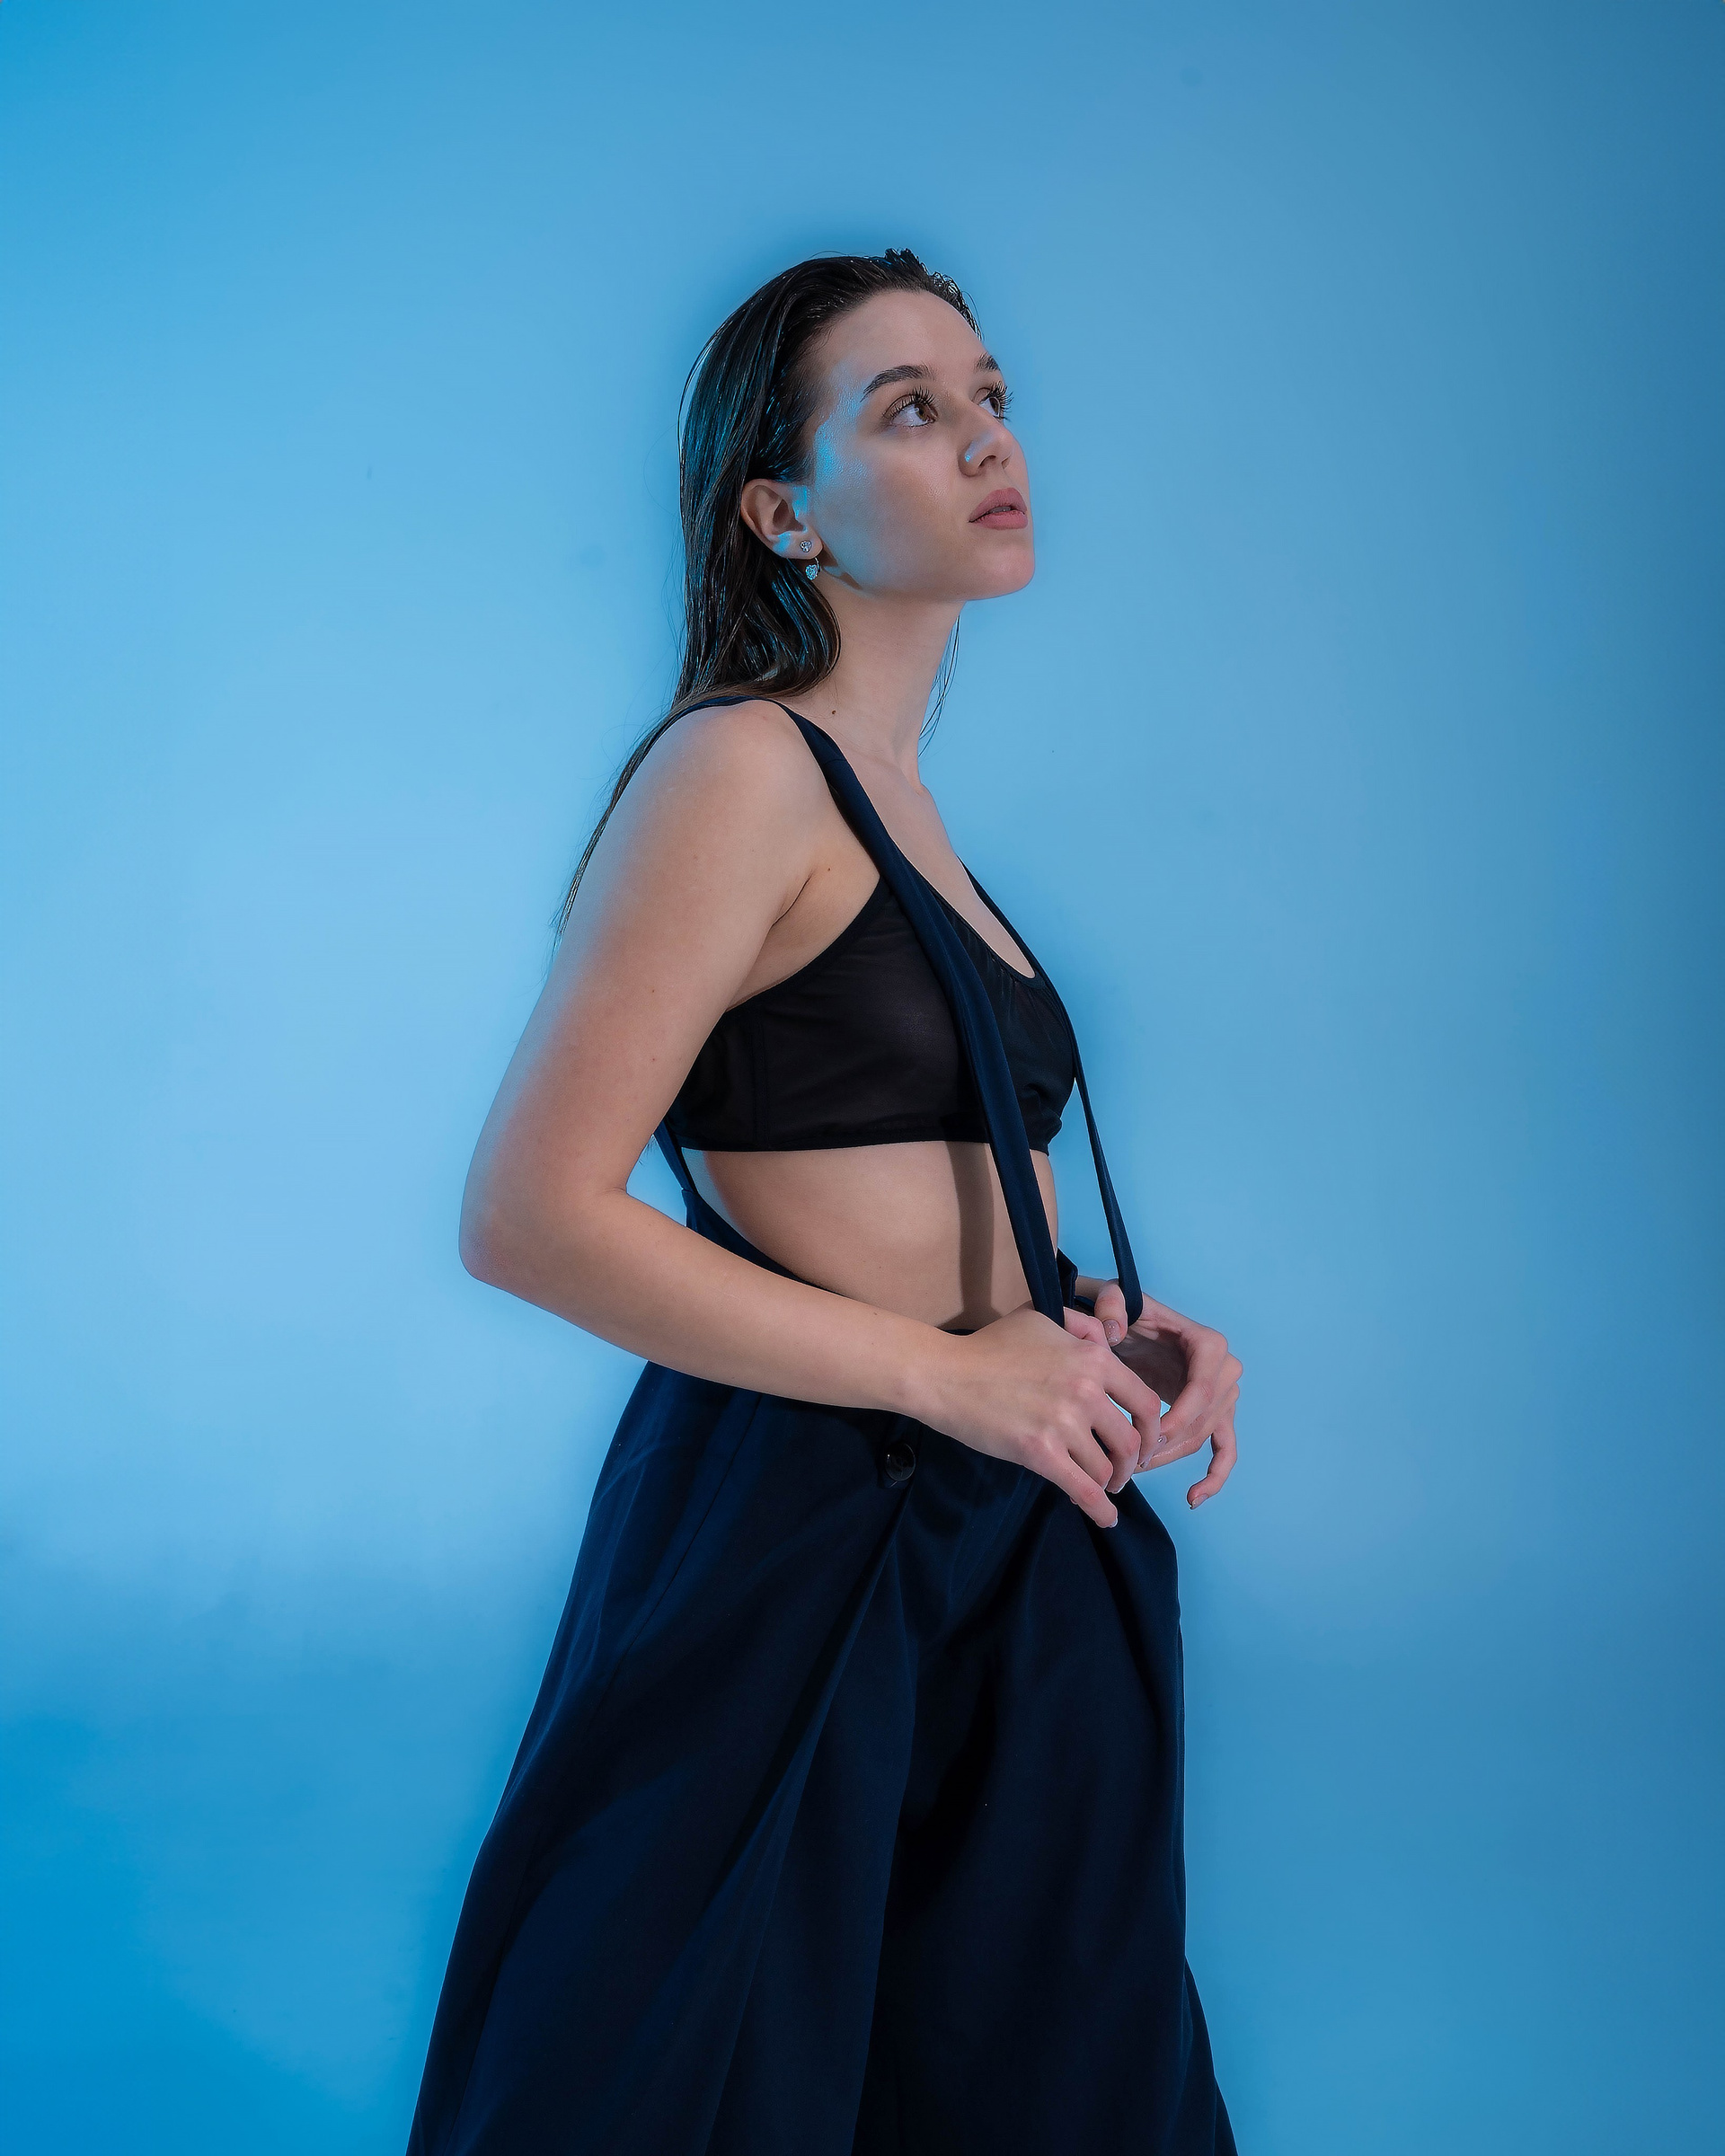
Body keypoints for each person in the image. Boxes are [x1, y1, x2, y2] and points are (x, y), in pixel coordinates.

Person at [406, 248, 1243, 2156]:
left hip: (999, 1515)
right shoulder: (741, 769)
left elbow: (900, 1179)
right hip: (821, 1524)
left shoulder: (900, 795)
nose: (988, 442)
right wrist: (947, 1375)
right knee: (719, 2071)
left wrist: (1098, 1331)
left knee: (1017, 2074)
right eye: (911, 411)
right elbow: (527, 1215)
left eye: (992, 396)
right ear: (783, 515)